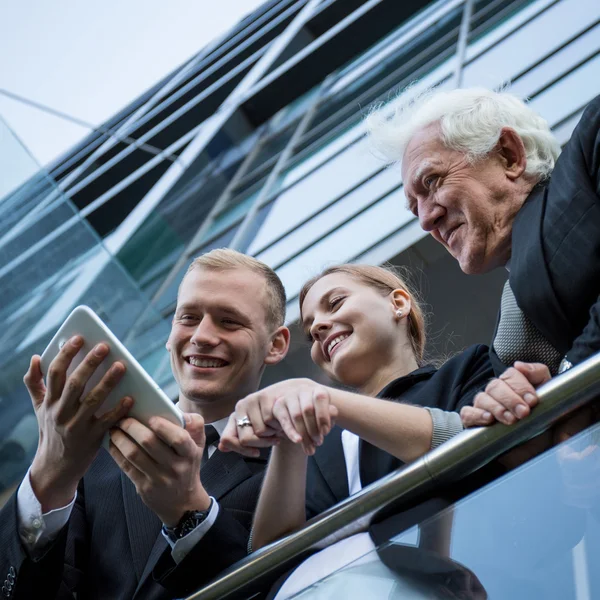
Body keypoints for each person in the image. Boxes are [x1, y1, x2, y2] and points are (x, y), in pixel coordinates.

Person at [0, 249, 291, 600]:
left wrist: (190, 514)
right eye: (188, 317)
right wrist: (49, 474)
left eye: (228, 321)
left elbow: (278, 589)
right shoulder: (91, 451)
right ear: (170, 334)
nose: (201, 335)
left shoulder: (294, 465)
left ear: (275, 345)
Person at [220, 264, 495, 599]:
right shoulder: (318, 444)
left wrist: (316, 395)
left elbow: (470, 446)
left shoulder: (468, 370)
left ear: (398, 304)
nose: (319, 327)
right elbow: (268, 557)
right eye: (311, 333)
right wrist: (289, 436)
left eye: (334, 303)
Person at [367, 87, 600, 430]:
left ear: (508, 155)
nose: (425, 220)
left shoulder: (592, 141)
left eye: (431, 181)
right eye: (415, 208)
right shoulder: (499, 351)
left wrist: (571, 387)